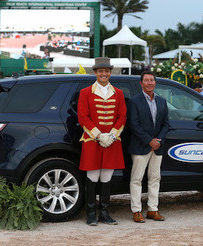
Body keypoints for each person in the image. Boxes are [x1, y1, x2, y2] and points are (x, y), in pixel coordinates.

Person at [77, 57, 127, 226]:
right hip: (92, 140)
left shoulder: (118, 93)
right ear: (95, 73)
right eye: (100, 71)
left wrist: (112, 135)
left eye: (106, 71)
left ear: (110, 73)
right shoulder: (85, 92)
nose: (103, 74)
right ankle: (90, 213)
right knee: (92, 176)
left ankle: (104, 213)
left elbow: (122, 116)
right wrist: (100, 135)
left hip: (112, 141)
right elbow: (83, 117)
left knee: (106, 177)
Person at [128, 71, 169, 223]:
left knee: (155, 179)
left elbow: (166, 124)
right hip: (140, 146)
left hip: (157, 147)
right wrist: (149, 141)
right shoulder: (134, 101)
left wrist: (158, 140)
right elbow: (133, 124)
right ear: (141, 83)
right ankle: (136, 211)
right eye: (146, 80)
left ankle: (153, 209)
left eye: (152, 80)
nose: (149, 83)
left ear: (155, 82)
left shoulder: (162, 101)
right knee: (136, 179)